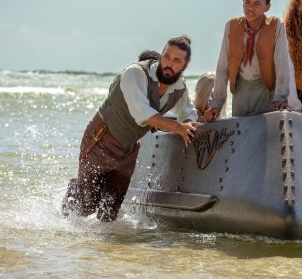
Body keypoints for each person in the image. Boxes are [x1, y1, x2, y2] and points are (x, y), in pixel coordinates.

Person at [62, 36, 199, 222]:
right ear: (161, 56)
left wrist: (189, 126)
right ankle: (74, 190)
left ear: (185, 65)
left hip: (128, 151)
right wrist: (177, 127)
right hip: (100, 141)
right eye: (166, 56)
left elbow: (188, 113)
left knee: (110, 214)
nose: (169, 64)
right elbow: (142, 113)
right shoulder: (135, 73)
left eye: (177, 60)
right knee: (85, 209)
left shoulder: (180, 87)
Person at [204, 0, 300, 121]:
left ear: (267, 7)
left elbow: (281, 62)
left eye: (257, 4)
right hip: (240, 89)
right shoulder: (231, 26)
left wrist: (280, 97)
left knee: (264, 130)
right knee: (240, 129)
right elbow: (222, 66)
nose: (250, 7)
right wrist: (216, 104)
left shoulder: (276, 25)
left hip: (266, 88)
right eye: (247, 2)